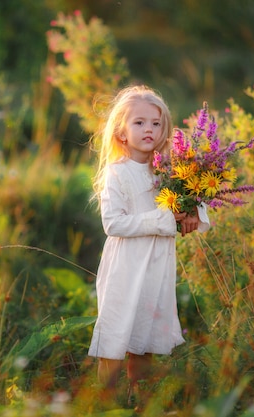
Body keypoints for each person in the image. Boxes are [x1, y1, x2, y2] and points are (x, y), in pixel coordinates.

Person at [88, 85, 209, 406]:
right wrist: (165, 219)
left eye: (156, 123)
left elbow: (189, 200)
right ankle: (108, 406)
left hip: (157, 266)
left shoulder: (169, 170)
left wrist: (193, 212)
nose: (149, 129)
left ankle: (144, 406)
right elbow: (113, 223)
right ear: (122, 133)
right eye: (139, 122)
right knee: (116, 337)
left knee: (145, 338)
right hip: (125, 267)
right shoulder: (118, 172)